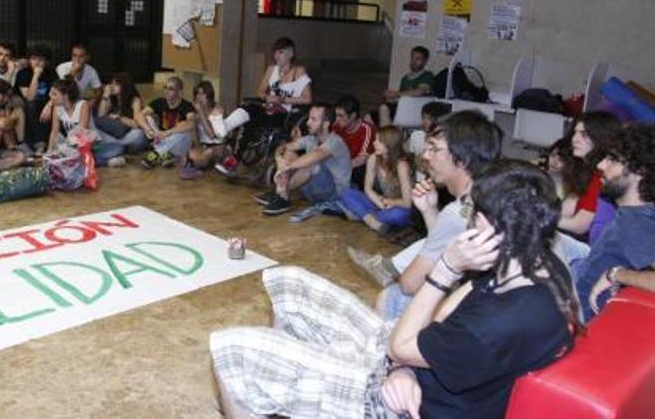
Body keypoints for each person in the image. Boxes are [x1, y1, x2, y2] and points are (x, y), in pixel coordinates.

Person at [210, 160, 578, 419]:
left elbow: (401, 344)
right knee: (287, 281)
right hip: (412, 364)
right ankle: (286, 396)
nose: (467, 220)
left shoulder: (504, 321)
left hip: (398, 406)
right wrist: (404, 366)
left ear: (490, 223)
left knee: (232, 349)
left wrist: (446, 269)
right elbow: (445, 316)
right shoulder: (533, 260)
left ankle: (278, 386)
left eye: (471, 213)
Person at [375, 110, 502, 319]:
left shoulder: (459, 211)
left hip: (488, 314)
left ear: (463, 159)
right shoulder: (493, 189)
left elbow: (409, 284)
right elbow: (446, 243)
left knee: (392, 297)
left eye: (434, 149)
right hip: (517, 307)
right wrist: (429, 211)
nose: (425, 156)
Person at [571, 124, 655, 321]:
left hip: (569, 317)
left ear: (639, 171)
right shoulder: (636, 214)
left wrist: (616, 274)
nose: (600, 166)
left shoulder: (636, 222)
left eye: (612, 160)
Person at [215, 37, 312, 176]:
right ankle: (225, 127)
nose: (276, 56)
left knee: (253, 120)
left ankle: (234, 158)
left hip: (283, 113)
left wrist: (284, 99)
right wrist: (268, 97)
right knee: (248, 107)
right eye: (275, 52)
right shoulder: (272, 69)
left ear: (291, 53)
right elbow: (260, 91)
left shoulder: (299, 71)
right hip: (267, 107)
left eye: (281, 52)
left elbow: (308, 99)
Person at [255, 103, 351, 217]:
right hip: (314, 192)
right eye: (309, 118)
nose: (307, 123)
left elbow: (315, 156)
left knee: (311, 164)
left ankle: (281, 193)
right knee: (289, 153)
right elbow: (283, 147)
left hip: (333, 195)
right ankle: (281, 195)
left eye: (313, 119)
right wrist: (279, 159)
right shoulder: (311, 139)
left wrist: (286, 167)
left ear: (326, 124)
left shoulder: (336, 142)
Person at [558, 111, 623, 243]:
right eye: (575, 132)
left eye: (584, 134)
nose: (574, 139)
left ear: (601, 138)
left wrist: (538, 218)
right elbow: (565, 211)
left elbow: (579, 226)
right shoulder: (583, 170)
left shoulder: (602, 176)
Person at [338, 126, 414, 233]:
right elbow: (367, 188)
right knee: (346, 193)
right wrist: (381, 204)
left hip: (399, 206)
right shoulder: (373, 158)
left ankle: (363, 214)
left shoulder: (401, 165)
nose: (374, 143)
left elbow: (407, 202)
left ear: (389, 145)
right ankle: (370, 220)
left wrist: (386, 201)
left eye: (379, 141)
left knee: (396, 215)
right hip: (381, 203)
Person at [46, 79, 125, 167]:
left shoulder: (83, 105)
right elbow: (54, 133)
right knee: (71, 157)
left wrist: (68, 149)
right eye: (51, 93)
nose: (50, 96)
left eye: (54, 94)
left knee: (119, 148)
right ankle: (105, 161)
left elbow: (82, 131)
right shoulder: (57, 108)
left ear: (65, 95)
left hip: (91, 145)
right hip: (73, 146)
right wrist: (49, 153)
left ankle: (86, 161)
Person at [137, 76, 196, 169]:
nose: (167, 91)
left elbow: (191, 124)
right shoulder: (159, 102)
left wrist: (169, 132)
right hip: (161, 139)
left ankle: (155, 154)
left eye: (171, 89)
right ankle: (166, 155)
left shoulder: (187, 106)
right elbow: (139, 115)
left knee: (182, 127)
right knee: (147, 118)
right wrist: (149, 131)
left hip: (179, 143)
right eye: (165, 87)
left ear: (179, 92)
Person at [15, 44, 59, 154]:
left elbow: (58, 93)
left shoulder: (51, 73)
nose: (37, 63)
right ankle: (40, 143)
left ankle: (47, 143)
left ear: (46, 62)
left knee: (56, 107)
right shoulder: (23, 73)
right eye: (33, 59)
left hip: (46, 104)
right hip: (28, 106)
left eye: (41, 60)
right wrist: (35, 76)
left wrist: (49, 106)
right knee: (31, 104)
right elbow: (29, 97)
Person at [179, 81, 228, 180]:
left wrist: (201, 113)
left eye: (202, 94)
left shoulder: (217, 110)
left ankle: (195, 165)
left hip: (218, 147)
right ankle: (193, 165)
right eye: (197, 94)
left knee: (208, 152)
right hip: (204, 146)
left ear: (209, 95)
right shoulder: (196, 112)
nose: (199, 97)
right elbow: (197, 138)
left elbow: (212, 136)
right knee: (185, 157)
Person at [379, 46, 435, 126]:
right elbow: (401, 97)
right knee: (369, 116)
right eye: (412, 57)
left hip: (416, 110)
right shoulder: (405, 78)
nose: (413, 61)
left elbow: (420, 91)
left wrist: (395, 94)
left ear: (425, 61)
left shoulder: (427, 75)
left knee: (384, 109)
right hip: (402, 107)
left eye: (418, 59)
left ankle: (388, 136)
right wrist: (391, 97)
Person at [94, 72, 148, 154]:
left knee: (138, 134)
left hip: (129, 135)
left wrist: (119, 117)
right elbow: (100, 116)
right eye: (111, 84)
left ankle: (116, 147)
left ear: (125, 86)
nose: (112, 86)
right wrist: (105, 96)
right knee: (95, 130)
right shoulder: (111, 99)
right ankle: (120, 147)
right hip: (116, 137)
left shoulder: (135, 100)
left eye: (116, 84)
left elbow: (137, 124)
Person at [333, 94, 375, 189]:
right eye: (336, 115)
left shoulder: (366, 129)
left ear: (352, 116)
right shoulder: (336, 126)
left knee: (361, 169)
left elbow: (361, 159)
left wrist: (337, 169)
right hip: (343, 165)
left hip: (360, 168)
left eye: (341, 116)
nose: (337, 119)